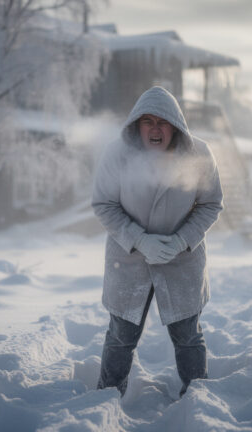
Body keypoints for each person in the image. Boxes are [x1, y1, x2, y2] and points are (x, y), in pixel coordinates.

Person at [92, 86, 224, 398]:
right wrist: (138, 239)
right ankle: (106, 398)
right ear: (136, 124)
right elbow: (104, 204)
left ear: (175, 125)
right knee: (121, 336)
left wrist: (181, 241)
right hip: (127, 262)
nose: (155, 129)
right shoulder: (116, 154)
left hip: (182, 262)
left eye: (163, 122)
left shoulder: (199, 154)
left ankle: (197, 399)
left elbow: (211, 204)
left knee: (188, 336)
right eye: (147, 121)